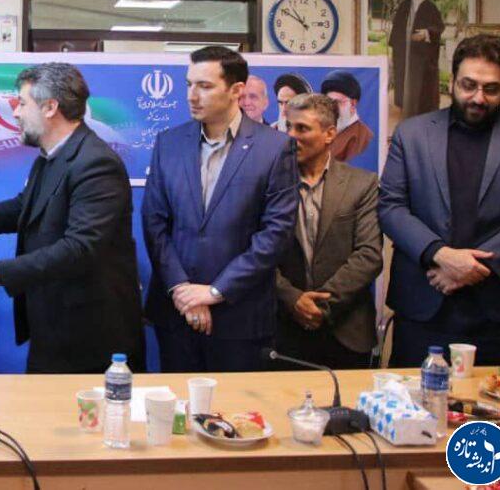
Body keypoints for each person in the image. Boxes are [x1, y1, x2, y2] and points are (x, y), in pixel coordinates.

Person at [0, 63, 144, 374]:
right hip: (54, 325)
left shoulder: (96, 163)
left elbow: (81, 247)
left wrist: (4, 272)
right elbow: (24, 208)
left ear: (50, 107)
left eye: (22, 103)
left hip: (91, 336)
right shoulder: (50, 157)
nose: (15, 113)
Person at [380, 34, 500, 367]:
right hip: (424, 304)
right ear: (452, 81)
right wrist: (441, 254)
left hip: (499, 311)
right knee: (410, 399)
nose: (478, 97)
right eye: (468, 85)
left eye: (491, 89)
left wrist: (473, 267)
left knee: (498, 401)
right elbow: (391, 206)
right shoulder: (413, 133)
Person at [142, 46, 298, 372]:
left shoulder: (274, 147)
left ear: (236, 90)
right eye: (189, 84)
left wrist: (215, 292)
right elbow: (154, 223)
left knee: (236, 404)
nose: (192, 95)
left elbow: (275, 234)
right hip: (177, 313)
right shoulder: (169, 143)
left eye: (205, 86)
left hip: (239, 317)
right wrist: (182, 290)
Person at [275, 94, 383, 369]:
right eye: (288, 127)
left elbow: (369, 255)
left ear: (330, 134)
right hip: (284, 333)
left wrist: (320, 305)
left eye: (302, 128)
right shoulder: (269, 184)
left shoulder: (362, 184)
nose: (291, 136)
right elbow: (255, 252)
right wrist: (293, 299)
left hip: (346, 332)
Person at [389, 0, 445, 119]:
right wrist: (397, 52)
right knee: (406, 84)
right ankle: (406, 113)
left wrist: (426, 33)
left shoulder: (431, 7)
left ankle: (423, 116)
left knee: (423, 89)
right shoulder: (404, 5)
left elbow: (439, 27)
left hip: (423, 57)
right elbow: (396, 30)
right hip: (406, 54)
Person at [321, 70, 374, 162]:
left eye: (338, 102)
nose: (332, 108)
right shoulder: (325, 131)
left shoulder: (362, 137)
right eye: (328, 102)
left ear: (352, 104)